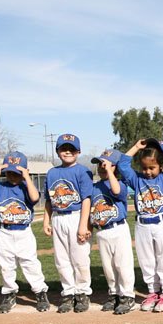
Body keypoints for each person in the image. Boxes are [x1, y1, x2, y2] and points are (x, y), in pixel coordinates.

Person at [116, 138, 163, 313]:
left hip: (162, 222)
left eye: (152, 167)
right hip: (142, 224)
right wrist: (136, 146)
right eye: (144, 168)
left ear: (160, 167)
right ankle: (153, 292)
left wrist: (162, 146)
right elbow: (123, 164)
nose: (148, 172)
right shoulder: (137, 180)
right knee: (147, 260)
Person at [0, 151, 50, 314]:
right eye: (10, 172)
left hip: (24, 232)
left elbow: (35, 198)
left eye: (17, 172)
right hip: (4, 232)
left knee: (30, 263)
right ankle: (9, 293)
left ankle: (40, 292)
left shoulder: (26, 187)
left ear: (24, 172)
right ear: (4, 172)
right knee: (5, 265)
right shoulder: (0, 187)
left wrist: (27, 177)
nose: (13, 175)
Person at [43, 134, 94, 313]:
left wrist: (83, 224)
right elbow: (48, 200)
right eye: (63, 148)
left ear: (78, 151)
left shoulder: (82, 171)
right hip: (58, 217)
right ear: (57, 151)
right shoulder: (52, 173)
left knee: (80, 258)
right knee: (62, 259)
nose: (67, 151)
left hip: (76, 215)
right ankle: (68, 292)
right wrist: (46, 220)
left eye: (71, 149)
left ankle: (82, 293)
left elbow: (87, 199)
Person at [90, 149, 137, 314]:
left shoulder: (120, 184)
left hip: (118, 229)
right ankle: (114, 293)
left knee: (122, 264)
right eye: (100, 164)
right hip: (101, 231)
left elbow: (116, 192)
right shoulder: (94, 187)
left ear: (115, 167)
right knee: (108, 267)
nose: (102, 167)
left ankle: (127, 295)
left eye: (106, 164)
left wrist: (110, 171)